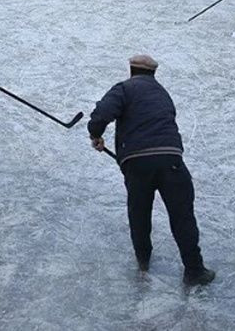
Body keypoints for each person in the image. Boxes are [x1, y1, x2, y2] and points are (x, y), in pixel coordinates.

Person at [87, 54, 215, 286]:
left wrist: (96, 134)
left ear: (131, 70)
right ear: (153, 73)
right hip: (171, 158)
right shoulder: (163, 94)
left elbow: (101, 114)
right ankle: (194, 270)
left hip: (137, 162)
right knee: (182, 215)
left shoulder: (124, 89)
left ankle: (143, 259)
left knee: (139, 211)